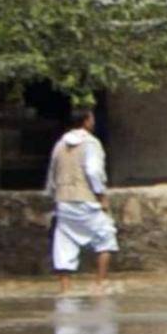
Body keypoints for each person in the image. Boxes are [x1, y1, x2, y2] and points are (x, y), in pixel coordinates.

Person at [45, 105, 117, 282]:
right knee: (106, 238)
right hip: (86, 200)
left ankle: (64, 290)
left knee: (64, 246)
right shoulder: (91, 144)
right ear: (86, 121)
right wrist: (101, 196)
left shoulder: (59, 144)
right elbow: (93, 172)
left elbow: (52, 174)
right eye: (91, 118)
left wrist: (54, 196)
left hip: (63, 201)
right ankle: (99, 285)